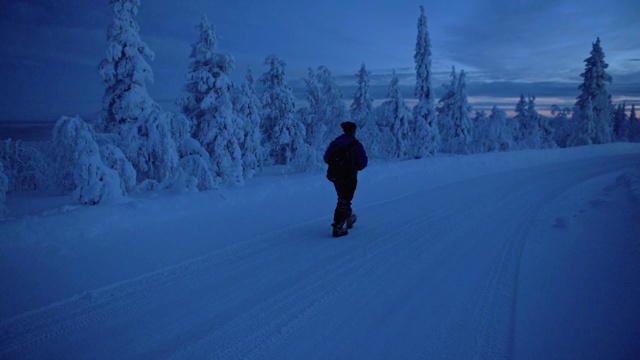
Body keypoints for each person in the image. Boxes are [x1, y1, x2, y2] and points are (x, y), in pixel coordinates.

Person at [323, 121, 368, 237]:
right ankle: (338, 227)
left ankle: (348, 218)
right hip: (350, 177)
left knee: (343, 197)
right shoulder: (356, 145)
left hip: (335, 177)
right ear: (353, 131)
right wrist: (353, 167)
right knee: (344, 200)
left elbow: (326, 158)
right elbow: (363, 163)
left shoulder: (335, 143)